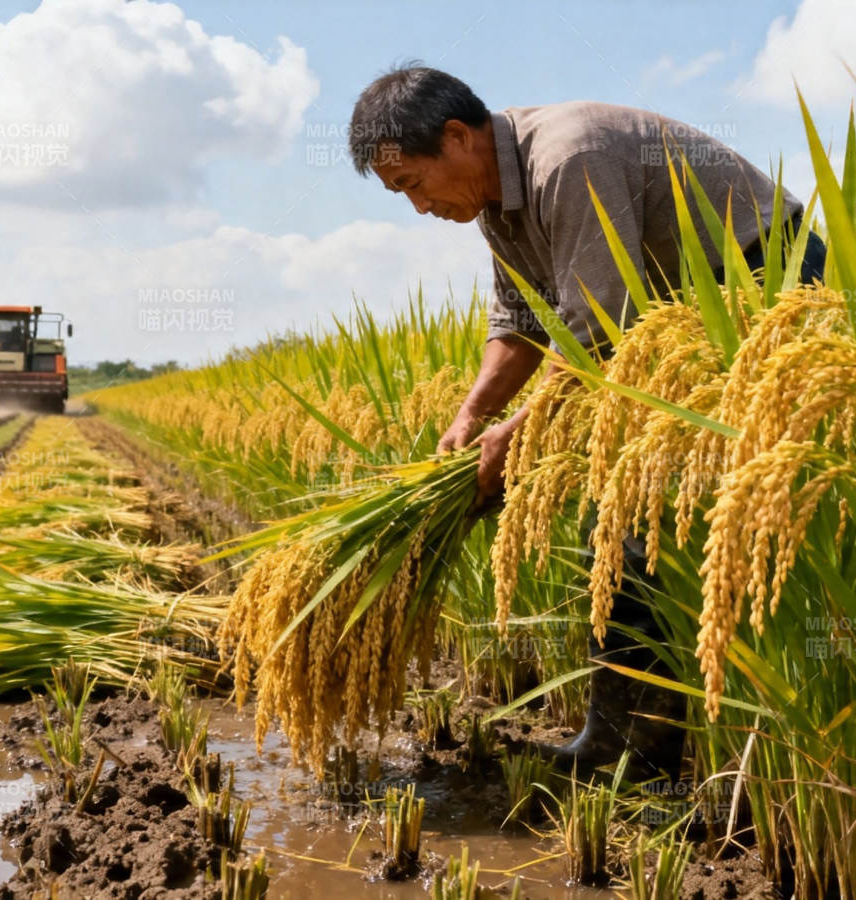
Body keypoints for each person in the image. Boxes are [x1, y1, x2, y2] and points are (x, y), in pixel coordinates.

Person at [348, 64, 824, 780]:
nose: (418, 207)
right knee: (623, 516)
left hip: (763, 289)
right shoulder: (497, 206)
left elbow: (601, 324)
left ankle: (661, 755)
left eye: (413, 184)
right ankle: (621, 743)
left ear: (456, 138)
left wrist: (521, 432)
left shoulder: (570, 157)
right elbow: (519, 322)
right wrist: (474, 414)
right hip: (680, 323)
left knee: (648, 516)